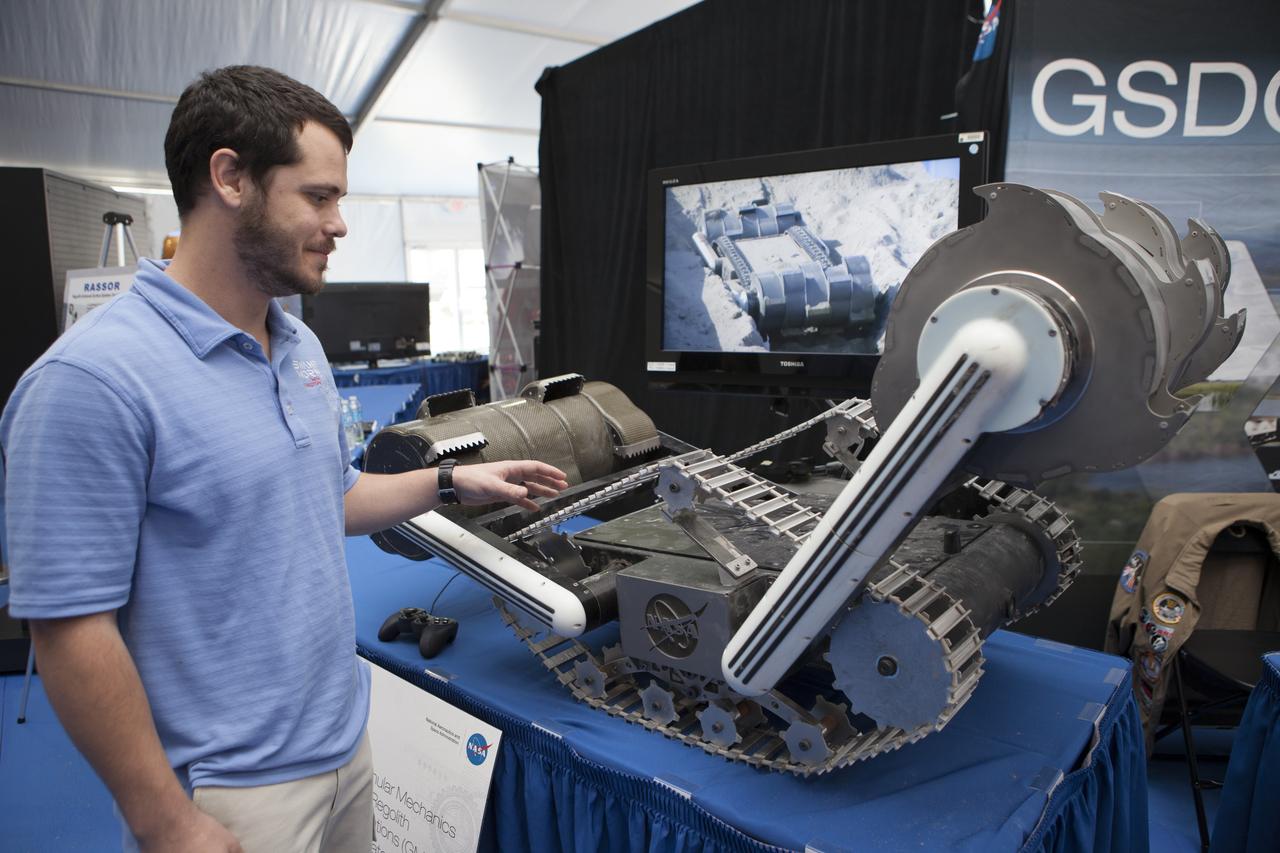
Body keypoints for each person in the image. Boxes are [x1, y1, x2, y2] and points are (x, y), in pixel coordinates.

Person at [0, 65, 567, 853]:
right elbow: (68, 627)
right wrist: (165, 820)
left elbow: (330, 495)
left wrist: (446, 481)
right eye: (319, 196)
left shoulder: (297, 343)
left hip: (346, 746)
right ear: (230, 178)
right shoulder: (89, 380)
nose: (339, 224)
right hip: (230, 791)